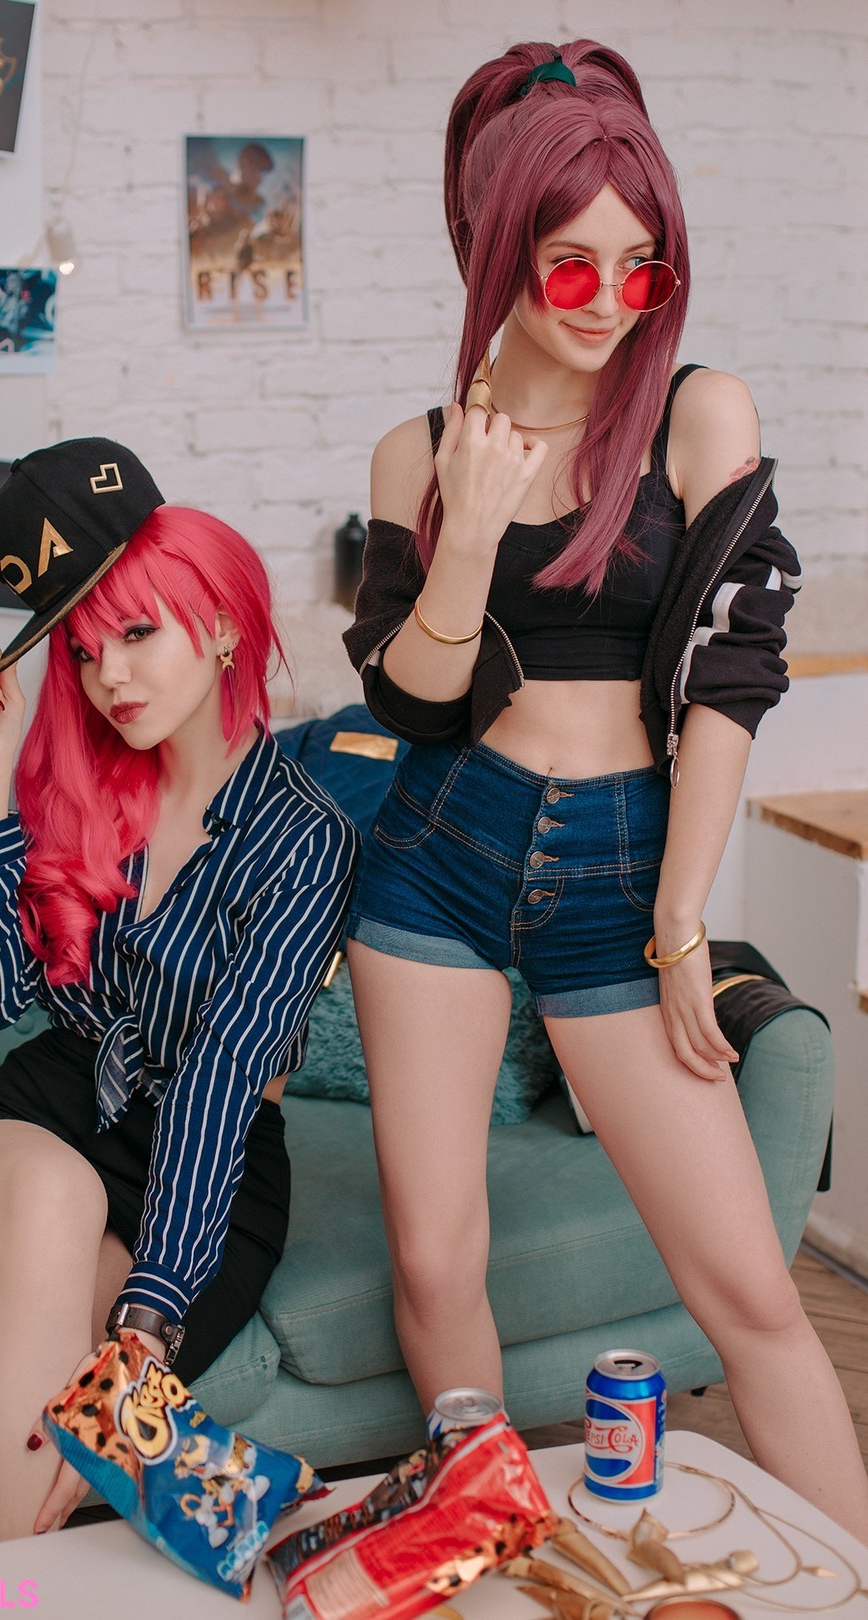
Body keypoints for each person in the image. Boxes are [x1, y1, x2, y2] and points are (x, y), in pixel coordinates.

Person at [342, 40, 868, 1540]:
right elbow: (408, 703)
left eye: (645, 268)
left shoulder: (699, 415)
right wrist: (464, 532)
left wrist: (683, 918)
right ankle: (490, 1554)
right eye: (571, 266)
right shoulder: (416, 453)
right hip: (439, 850)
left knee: (750, 1292)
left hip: (623, 871)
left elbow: (731, 677)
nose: (611, 302)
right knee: (435, 1260)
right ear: (495, 247)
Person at [0, 438, 358, 1568]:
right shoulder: (76, 787)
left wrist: (147, 1327)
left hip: (204, 1171)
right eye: (81, 649)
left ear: (221, 626)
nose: (108, 675)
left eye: (136, 633)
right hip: (37, 1122)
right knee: (48, 1186)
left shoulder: (304, 838)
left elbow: (223, 1080)